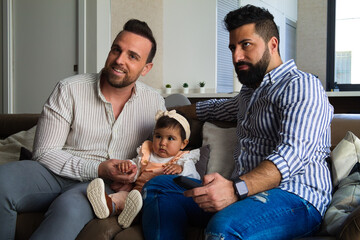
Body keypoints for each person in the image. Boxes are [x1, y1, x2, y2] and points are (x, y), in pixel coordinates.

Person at [141, 5, 334, 240]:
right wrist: (168, 110)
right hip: (245, 196)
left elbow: (291, 155)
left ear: (272, 44)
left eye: (246, 45)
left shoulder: (301, 86)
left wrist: (235, 189)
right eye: (233, 47)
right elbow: (214, 108)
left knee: (224, 228)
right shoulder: (249, 93)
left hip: (296, 197)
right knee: (160, 187)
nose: (236, 56)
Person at [0, 19, 166, 240]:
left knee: (69, 208)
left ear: (146, 68)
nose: (119, 60)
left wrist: (130, 178)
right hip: (54, 172)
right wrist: (97, 167)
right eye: (116, 49)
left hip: (103, 186)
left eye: (132, 56)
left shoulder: (154, 102)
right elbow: (45, 153)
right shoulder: (69, 89)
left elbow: (160, 154)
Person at [86, 110, 201, 229]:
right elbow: (136, 169)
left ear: (183, 143)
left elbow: (194, 179)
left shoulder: (183, 160)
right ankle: (108, 206)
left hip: (159, 199)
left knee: (144, 204)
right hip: (137, 195)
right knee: (123, 197)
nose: (162, 143)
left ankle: (132, 214)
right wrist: (128, 166)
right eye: (158, 136)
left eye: (170, 138)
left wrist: (181, 169)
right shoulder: (147, 153)